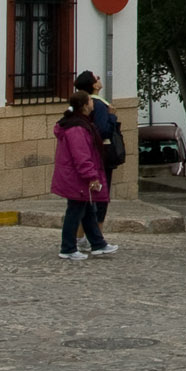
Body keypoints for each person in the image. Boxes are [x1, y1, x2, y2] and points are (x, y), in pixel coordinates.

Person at [52, 90, 119, 261]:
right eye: (90, 100)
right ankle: (67, 248)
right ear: (84, 106)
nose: (92, 103)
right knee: (74, 211)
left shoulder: (79, 124)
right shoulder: (77, 128)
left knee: (89, 209)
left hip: (76, 176)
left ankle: (98, 244)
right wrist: (91, 176)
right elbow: (81, 156)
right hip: (76, 178)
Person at [75, 70, 120, 230]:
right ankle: (97, 236)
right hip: (101, 154)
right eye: (96, 78)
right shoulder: (100, 105)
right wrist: (112, 117)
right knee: (101, 195)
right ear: (93, 85)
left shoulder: (81, 105)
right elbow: (103, 131)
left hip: (87, 152)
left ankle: (83, 236)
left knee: (87, 196)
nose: (99, 79)